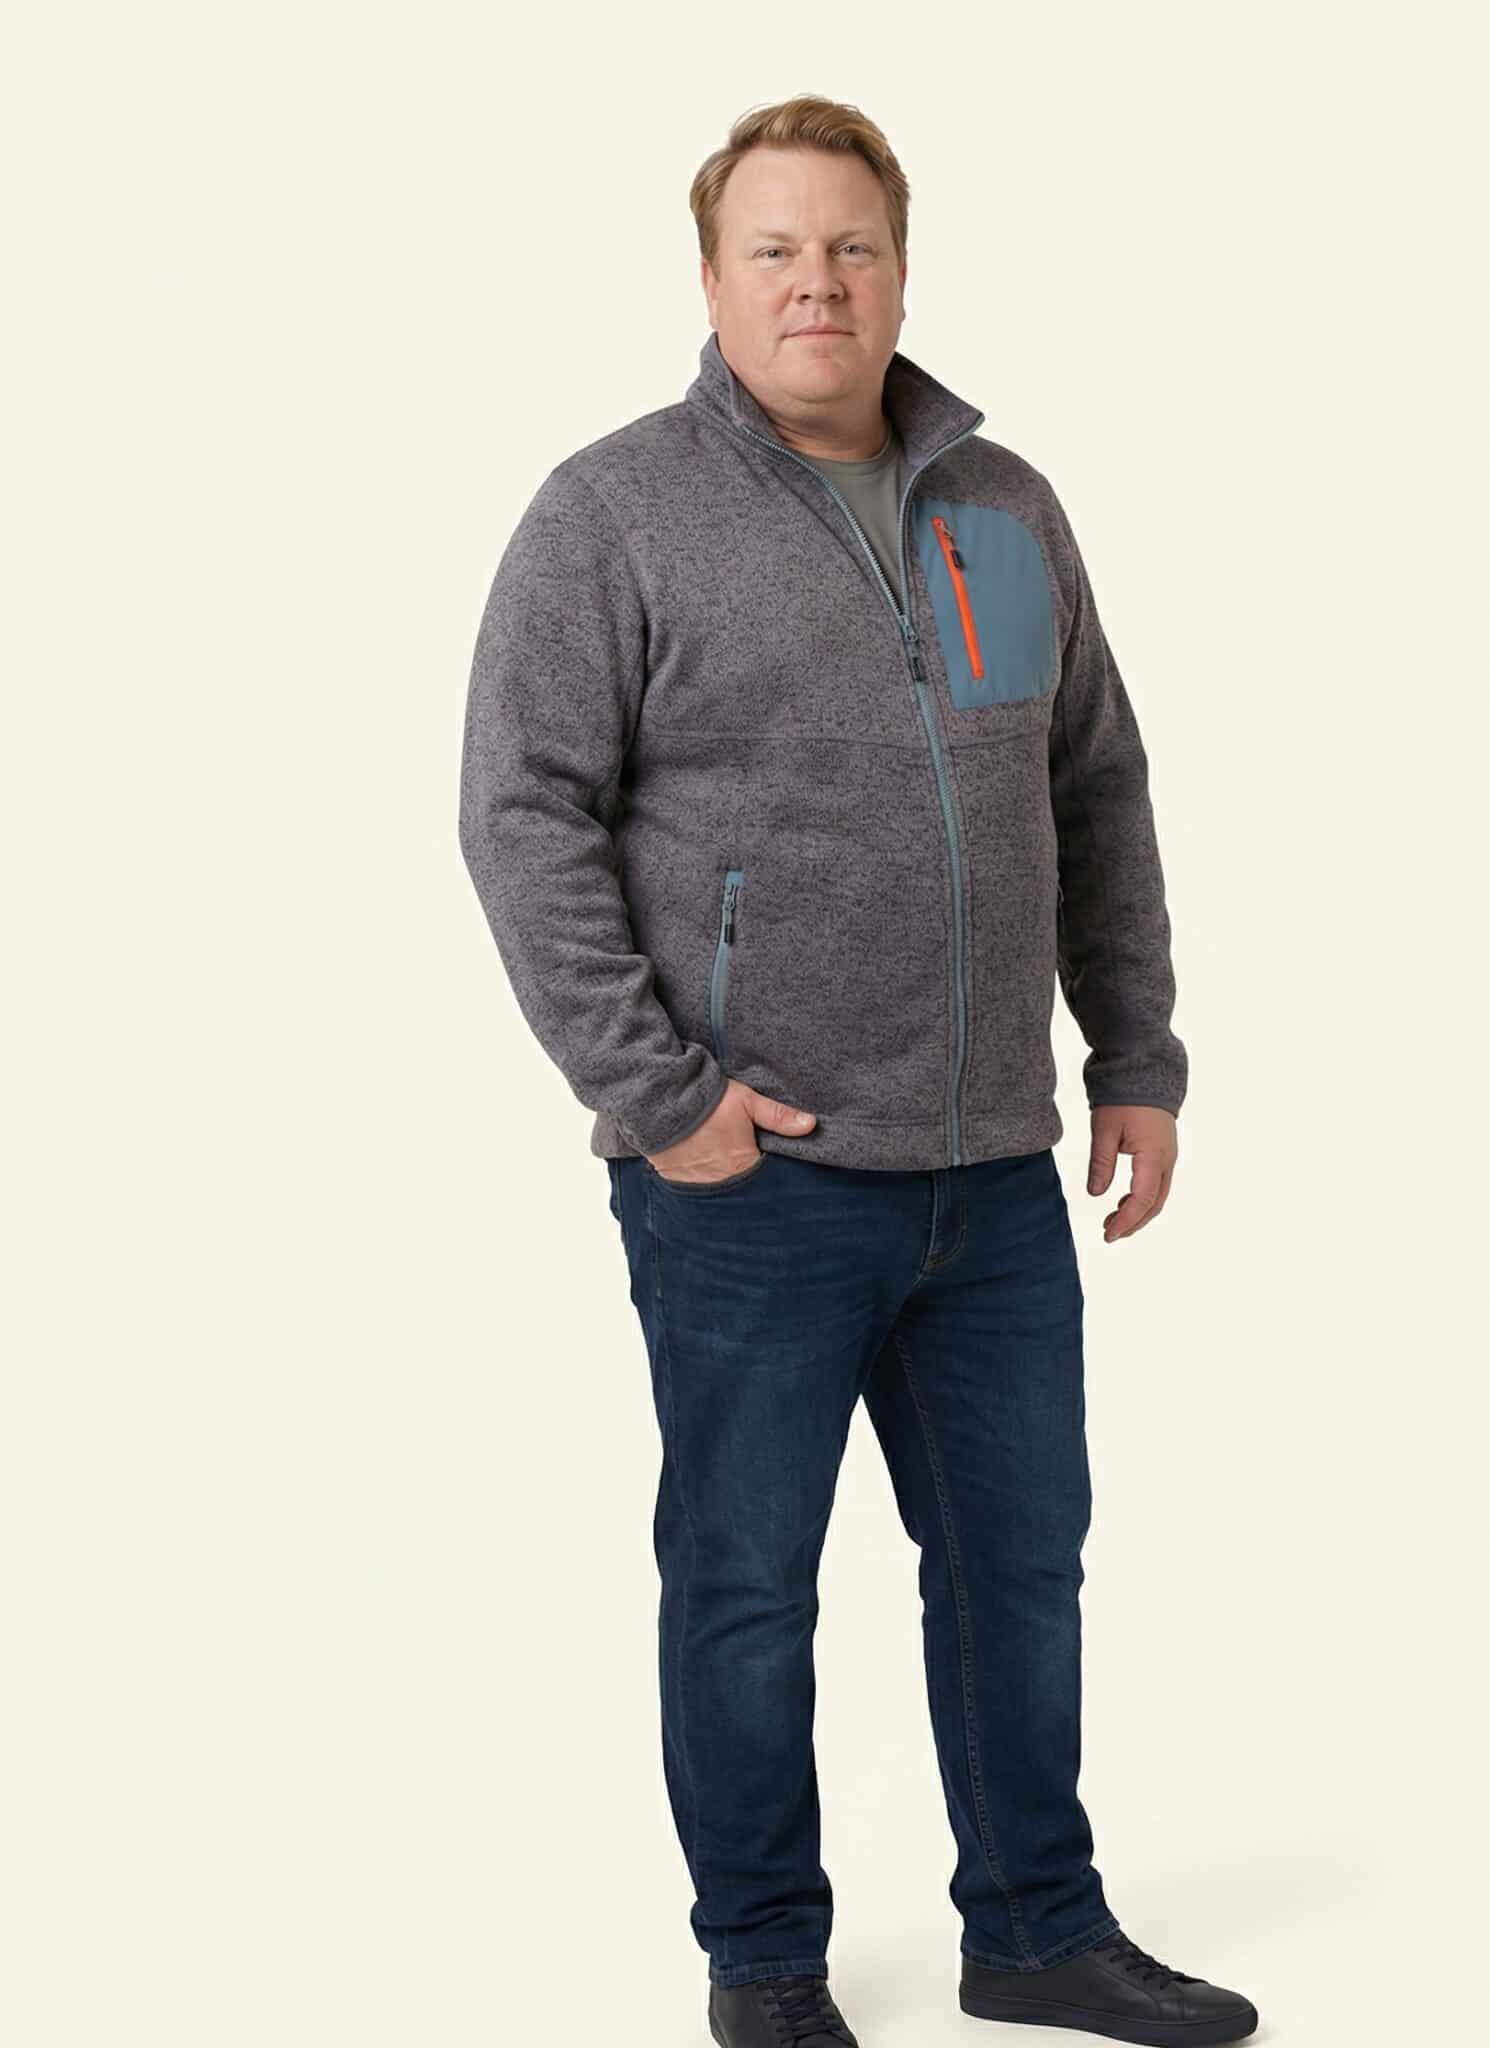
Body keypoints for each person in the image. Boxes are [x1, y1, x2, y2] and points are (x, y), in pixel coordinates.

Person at [458, 93, 1258, 2048]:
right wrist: (665, 1096)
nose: (815, 282)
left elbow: (1091, 785)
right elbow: (521, 813)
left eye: (851, 247)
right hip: (756, 1180)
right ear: (710, 277)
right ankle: (765, 1968)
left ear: (899, 272)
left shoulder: (1004, 507)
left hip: (990, 1170)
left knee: (1017, 1572)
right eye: (774, 250)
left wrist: (1133, 1051)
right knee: (747, 1588)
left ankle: (1036, 1929)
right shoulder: (612, 514)